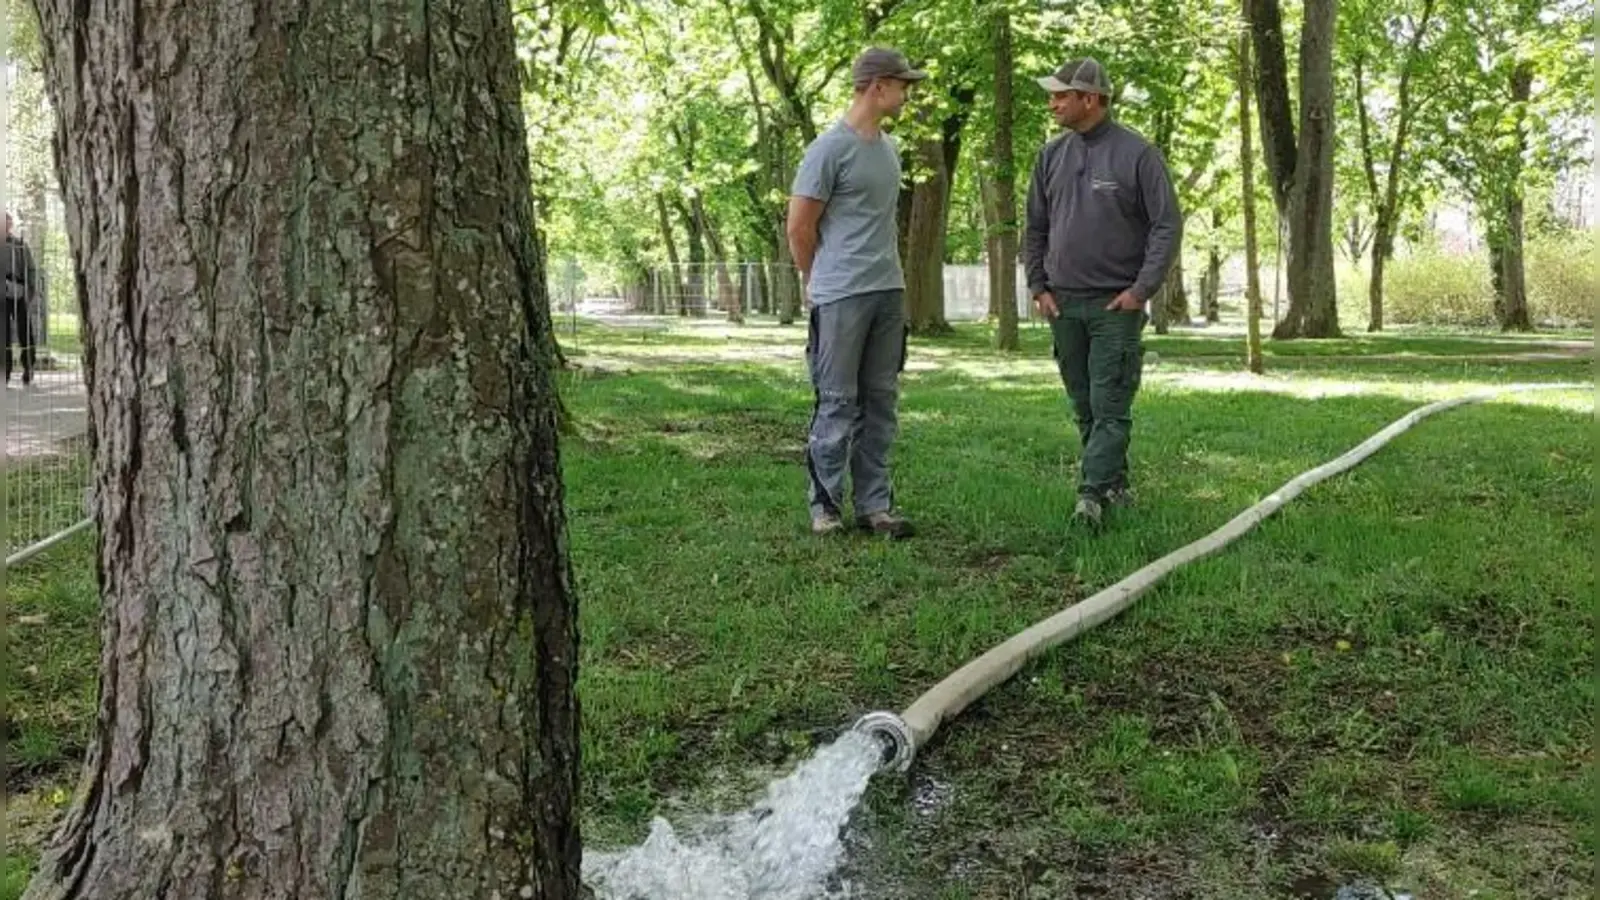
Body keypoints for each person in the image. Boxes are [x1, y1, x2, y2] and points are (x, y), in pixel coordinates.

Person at [1023, 57, 1181, 530]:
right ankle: (1115, 484)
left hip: (1116, 306)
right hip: (1062, 305)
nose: (1052, 103)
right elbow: (1035, 227)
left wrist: (1141, 290)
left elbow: (1166, 225)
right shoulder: (1050, 156)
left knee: (1111, 405)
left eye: (1061, 96)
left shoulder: (1138, 154)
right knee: (1085, 406)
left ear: (1090, 99)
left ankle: (1089, 497)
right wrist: (1038, 285)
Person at [787, 47, 926, 539]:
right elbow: (800, 227)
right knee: (838, 401)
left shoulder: (888, 149)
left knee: (881, 401)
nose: (908, 94)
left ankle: (875, 506)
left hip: (888, 291)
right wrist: (817, 281)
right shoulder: (829, 149)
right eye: (902, 84)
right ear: (877, 86)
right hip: (842, 295)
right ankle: (825, 505)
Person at [2, 211, 41, 386]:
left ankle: (28, 367)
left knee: (25, 331)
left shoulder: (20, 245)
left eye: (7, 221)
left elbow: (31, 269)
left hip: (19, 293)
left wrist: (30, 291)